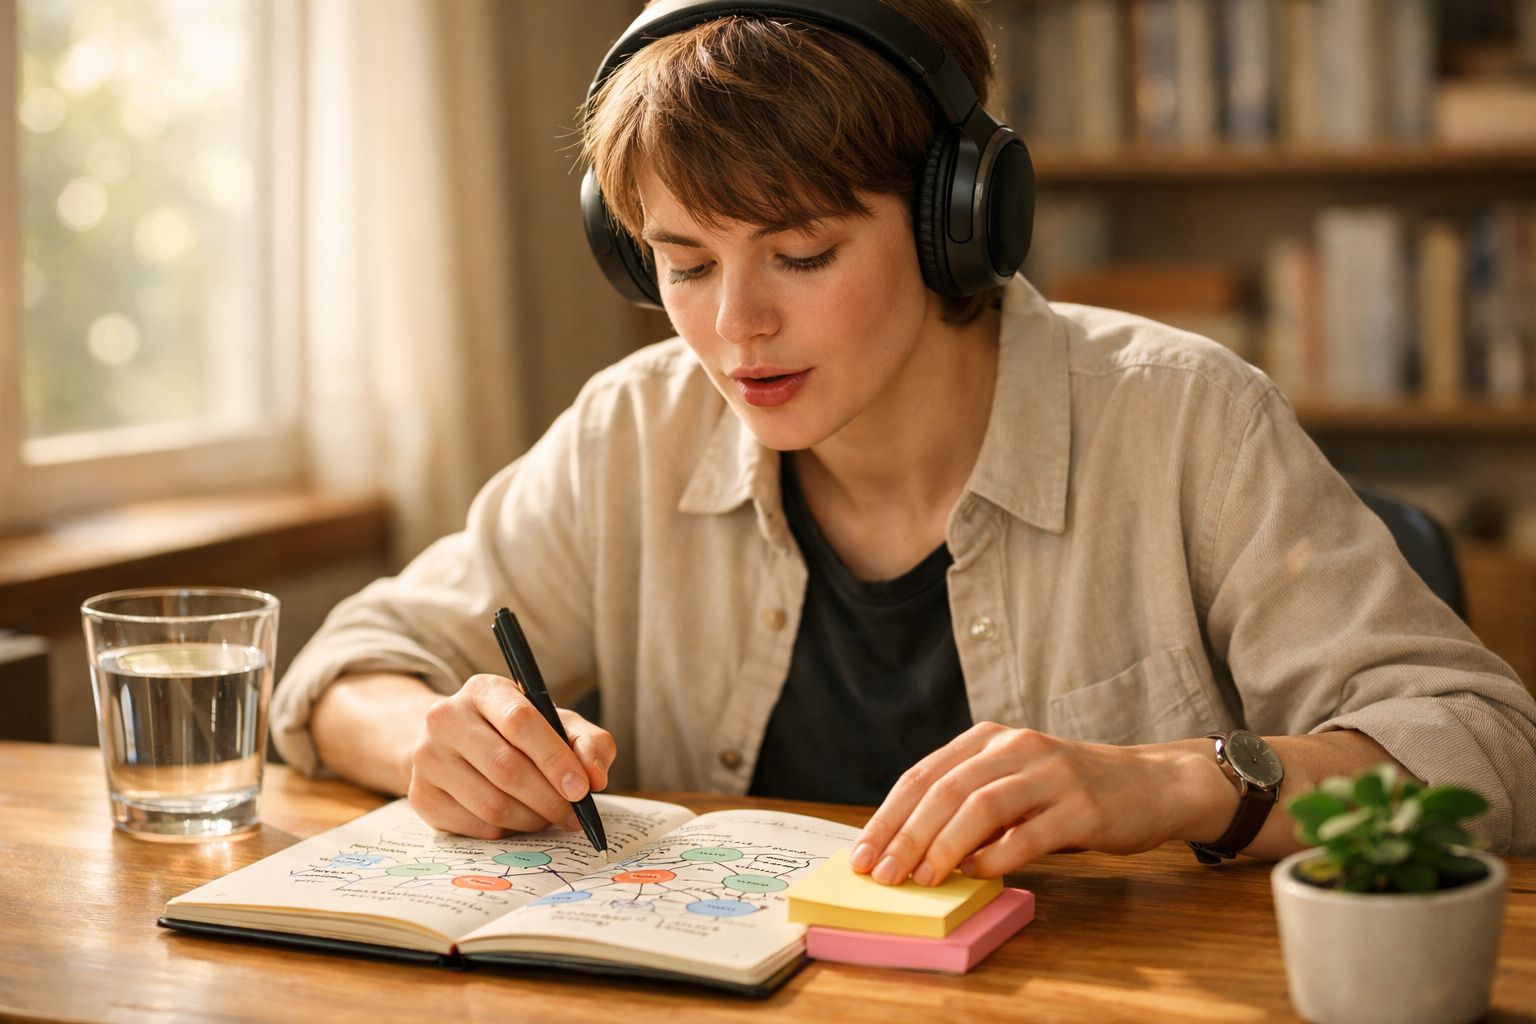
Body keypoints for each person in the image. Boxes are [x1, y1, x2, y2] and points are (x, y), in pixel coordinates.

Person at [272, 0, 1536, 886]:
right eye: (683, 262)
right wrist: (429, 740)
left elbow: (1481, 746)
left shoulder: (1187, 417)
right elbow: (350, 666)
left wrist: (1173, 782)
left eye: (804, 255)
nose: (735, 328)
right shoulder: (635, 430)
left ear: (958, 224)